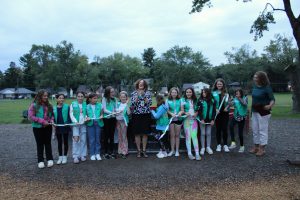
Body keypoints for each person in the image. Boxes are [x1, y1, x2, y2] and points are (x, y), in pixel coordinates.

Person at [250, 71, 275, 156]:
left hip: (263, 112)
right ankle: (256, 146)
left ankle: (262, 149)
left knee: (262, 130)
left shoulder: (267, 88)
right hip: (254, 111)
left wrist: (269, 105)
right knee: (255, 129)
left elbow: (272, 99)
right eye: (254, 77)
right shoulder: (254, 86)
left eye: (256, 77)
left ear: (261, 78)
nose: (255, 78)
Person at [28, 89, 54, 169]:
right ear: (40, 96)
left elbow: (52, 115)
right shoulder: (34, 105)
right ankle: (40, 160)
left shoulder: (49, 104)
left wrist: (51, 120)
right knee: (40, 144)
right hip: (37, 128)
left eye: (47, 96)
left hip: (48, 127)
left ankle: (50, 159)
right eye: (44, 96)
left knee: (48, 143)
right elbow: (31, 116)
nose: (46, 97)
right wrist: (42, 121)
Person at [130, 79, 152, 158]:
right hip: (136, 115)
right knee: (137, 133)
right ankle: (138, 151)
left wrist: (144, 96)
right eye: (139, 83)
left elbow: (150, 103)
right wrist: (137, 97)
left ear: (145, 85)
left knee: (145, 133)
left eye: (142, 83)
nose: (141, 84)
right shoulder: (133, 93)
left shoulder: (148, 93)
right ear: (137, 84)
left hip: (146, 114)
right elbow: (132, 105)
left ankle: (144, 150)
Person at [181, 87, 201, 161]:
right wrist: (186, 113)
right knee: (188, 137)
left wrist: (196, 113)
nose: (188, 93)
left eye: (190, 92)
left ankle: (197, 153)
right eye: (187, 92)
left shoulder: (196, 100)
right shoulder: (182, 100)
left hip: (194, 121)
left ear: (192, 93)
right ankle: (189, 153)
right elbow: (182, 110)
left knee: (194, 136)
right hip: (186, 120)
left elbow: (198, 109)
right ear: (185, 93)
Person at [212, 78, 230, 152]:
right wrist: (215, 109)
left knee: (225, 129)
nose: (219, 85)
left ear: (223, 85)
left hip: (225, 113)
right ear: (216, 85)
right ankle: (218, 144)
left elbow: (229, 102)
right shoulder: (213, 93)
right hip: (217, 113)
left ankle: (225, 145)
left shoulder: (226, 93)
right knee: (218, 129)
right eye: (218, 84)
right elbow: (211, 102)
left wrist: (227, 107)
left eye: (220, 84)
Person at [70, 91, 88, 164]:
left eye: (81, 96)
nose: (80, 98)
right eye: (79, 96)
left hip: (83, 124)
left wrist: (86, 118)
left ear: (83, 97)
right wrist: (75, 121)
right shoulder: (73, 104)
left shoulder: (85, 104)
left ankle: (83, 155)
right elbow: (71, 114)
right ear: (76, 97)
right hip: (75, 125)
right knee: (76, 140)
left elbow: (86, 113)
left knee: (83, 140)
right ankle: (76, 156)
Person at [197, 88, 216, 156]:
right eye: (202, 92)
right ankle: (203, 147)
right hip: (202, 120)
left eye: (205, 92)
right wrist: (201, 119)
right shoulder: (200, 100)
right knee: (203, 133)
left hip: (210, 120)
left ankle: (208, 147)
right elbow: (199, 111)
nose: (203, 94)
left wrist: (213, 119)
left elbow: (214, 111)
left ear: (208, 93)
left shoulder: (213, 101)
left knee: (208, 133)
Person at [228, 89, 248, 153]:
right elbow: (231, 105)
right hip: (235, 116)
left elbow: (244, 104)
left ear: (241, 93)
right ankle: (233, 142)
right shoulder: (235, 99)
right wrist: (229, 101)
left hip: (242, 117)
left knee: (240, 133)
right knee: (230, 126)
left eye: (238, 93)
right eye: (236, 93)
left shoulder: (245, 98)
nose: (237, 94)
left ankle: (242, 146)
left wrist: (239, 98)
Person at [53, 94, 70, 165]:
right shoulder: (53, 108)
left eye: (63, 98)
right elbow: (52, 117)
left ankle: (65, 156)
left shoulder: (67, 107)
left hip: (65, 127)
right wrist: (53, 122)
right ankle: (60, 157)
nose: (61, 100)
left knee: (65, 142)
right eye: (60, 98)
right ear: (57, 99)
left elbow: (69, 116)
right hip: (58, 127)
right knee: (59, 142)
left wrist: (67, 122)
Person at [86, 93, 103, 161]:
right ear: (90, 99)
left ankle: (97, 153)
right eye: (94, 98)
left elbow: (102, 113)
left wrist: (101, 115)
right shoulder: (87, 106)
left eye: (96, 98)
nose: (96, 100)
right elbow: (85, 115)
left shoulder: (100, 105)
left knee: (98, 139)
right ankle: (92, 154)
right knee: (92, 139)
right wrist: (87, 117)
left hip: (98, 123)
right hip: (90, 124)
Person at [151, 94, 169, 159]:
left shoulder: (162, 107)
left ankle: (164, 152)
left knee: (161, 139)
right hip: (164, 125)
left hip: (161, 125)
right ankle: (163, 151)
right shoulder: (164, 106)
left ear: (158, 100)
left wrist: (152, 111)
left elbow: (156, 116)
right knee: (163, 139)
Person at [102, 86, 118, 159]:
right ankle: (105, 152)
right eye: (111, 92)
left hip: (113, 119)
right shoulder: (104, 99)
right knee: (106, 136)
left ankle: (111, 152)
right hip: (106, 119)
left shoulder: (115, 99)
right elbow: (104, 109)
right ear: (107, 92)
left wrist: (117, 111)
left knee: (112, 136)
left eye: (113, 92)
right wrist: (112, 112)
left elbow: (116, 108)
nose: (113, 93)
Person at [166, 87, 183, 157]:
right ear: (170, 93)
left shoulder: (180, 100)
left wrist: (180, 113)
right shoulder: (167, 100)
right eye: (172, 92)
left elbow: (182, 109)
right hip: (171, 120)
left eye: (175, 92)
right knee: (172, 135)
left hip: (178, 119)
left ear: (177, 93)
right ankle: (172, 150)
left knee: (177, 135)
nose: (174, 94)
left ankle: (177, 151)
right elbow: (167, 110)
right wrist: (171, 114)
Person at [115, 91, 131, 158]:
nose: (123, 98)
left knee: (124, 136)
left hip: (124, 122)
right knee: (119, 136)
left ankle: (125, 151)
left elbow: (129, 113)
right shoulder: (118, 104)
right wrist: (117, 112)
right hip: (118, 121)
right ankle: (120, 151)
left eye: (124, 97)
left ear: (126, 98)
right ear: (120, 97)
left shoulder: (127, 104)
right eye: (121, 97)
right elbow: (115, 113)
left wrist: (127, 105)